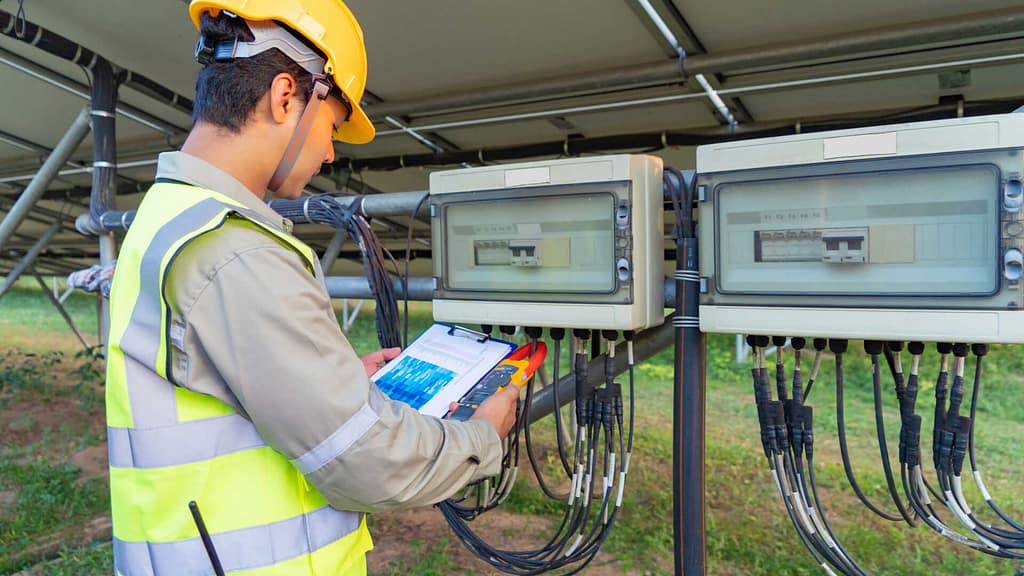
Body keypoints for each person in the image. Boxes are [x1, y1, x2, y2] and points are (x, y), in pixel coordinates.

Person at [104, 1, 519, 574]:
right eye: (331, 126)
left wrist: (335, 382)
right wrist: (482, 436)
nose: (329, 151)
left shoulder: (170, 214)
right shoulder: (237, 250)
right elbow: (364, 462)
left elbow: (233, 386)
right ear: (283, 96)